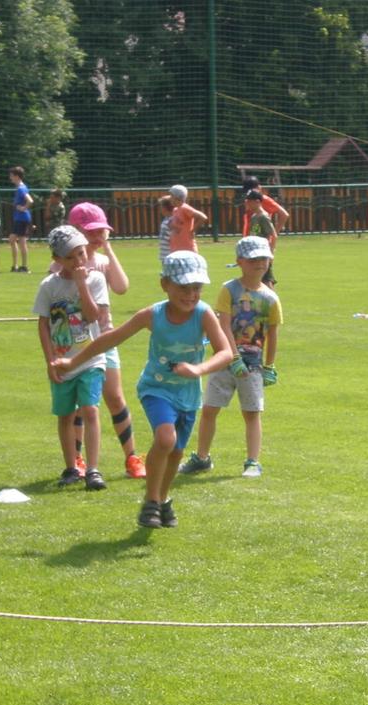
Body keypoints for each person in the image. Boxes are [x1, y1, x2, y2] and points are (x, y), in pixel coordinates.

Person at [50, 251, 234, 529]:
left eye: (196, 288)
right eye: (183, 287)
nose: (191, 294)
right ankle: (150, 500)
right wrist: (74, 361)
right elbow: (110, 338)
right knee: (165, 438)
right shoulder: (153, 315)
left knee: (175, 453)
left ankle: (163, 499)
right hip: (156, 389)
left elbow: (226, 353)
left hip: (188, 395)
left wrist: (198, 370)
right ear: (165, 284)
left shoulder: (204, 313)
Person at [57, 202, 146, 480]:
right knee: (82, 403)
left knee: (114, 397)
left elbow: (121, 287)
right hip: (78, 343)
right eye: (90, 232)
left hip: (106, 340)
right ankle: (79, 459)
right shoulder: (62, 266)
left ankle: (132, 457)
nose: (97, 237)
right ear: (76, 231)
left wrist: (107, 249)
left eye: (101, 231)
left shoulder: (103, 261)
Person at [180, 236, 281, 479]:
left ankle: (253, 461)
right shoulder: (229, 289)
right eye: (253, 258)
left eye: (263, 258)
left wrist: (269, 365)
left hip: (253, 366)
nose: (259, 263)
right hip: (225, 361)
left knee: (252, 412)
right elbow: (223, 325)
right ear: (240, 261)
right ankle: (202, 457)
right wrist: (233, 357)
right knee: (210, 408)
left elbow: (273, 333)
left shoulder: (270, 298)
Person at [34, 226, 110, 491]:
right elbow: (43, 324)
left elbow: (93, 317)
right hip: (62, 360)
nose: (79, 261)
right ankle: (71, 467)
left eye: (82, 254)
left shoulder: (96, 280)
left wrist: (81, 285)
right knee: (65, 415)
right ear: (57, 260)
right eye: (71, 257)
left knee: (90, 409)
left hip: (90, 359)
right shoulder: (49, 286)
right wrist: (49, 360)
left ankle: (93, 469)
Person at [242, 190, 278, 286]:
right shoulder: (254, 216)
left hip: (263, 253)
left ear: (257, 202)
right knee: (259, 279)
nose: (247, 203)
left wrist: (271, 253)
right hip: (255, 253)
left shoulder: (263, 217)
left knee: (266, 280)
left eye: (249, 201)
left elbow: (273, 235)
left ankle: (272, 300)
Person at [165, 185, 209, 254]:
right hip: (176, 248)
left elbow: (203, 217)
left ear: (177, 197)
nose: (170, 198)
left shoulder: (185, 208)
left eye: (171, 196)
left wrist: (192, 231)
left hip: (187, 248)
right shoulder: (175, 210)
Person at [8, 166, 35, 273]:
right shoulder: (21, 187)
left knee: (19, 241)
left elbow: (30, 200)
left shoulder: (21, 188)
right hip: (21, 218)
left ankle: (23, 266)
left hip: (21, 218)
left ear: (17, 176)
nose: (10, 178)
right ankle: (16, 266)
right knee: (14, 240)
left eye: (11, 176)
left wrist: (24, 208)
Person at [157, 195, 174, 264]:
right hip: (165, 254)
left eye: (161, 206)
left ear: (165, 208)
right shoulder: (166, 219)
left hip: (171, 254)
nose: (160, 208)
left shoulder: (172, 221)